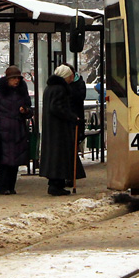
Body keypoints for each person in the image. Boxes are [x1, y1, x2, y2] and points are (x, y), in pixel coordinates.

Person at [0, 65, 32, 196]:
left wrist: (25, 110)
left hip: (18, 130)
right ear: (7, 80)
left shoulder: (22, 92)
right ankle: (3, 187)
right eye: (13, 78)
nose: (16, 81)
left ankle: (11, 186)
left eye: (17, 78)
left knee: (15, 160)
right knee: (3, 160)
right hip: (3, 131)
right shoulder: (0, 92)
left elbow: (29, 108)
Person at [40, 65, 85, 196]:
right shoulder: (60, 89)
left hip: (52, 128)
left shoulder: (50, 88)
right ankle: (56, 185)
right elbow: (57, 107)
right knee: (60, 156)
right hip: (59, 129)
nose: (72, 78)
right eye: (71, 76)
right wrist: (72, 117)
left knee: (55, 156)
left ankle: (56, 183)